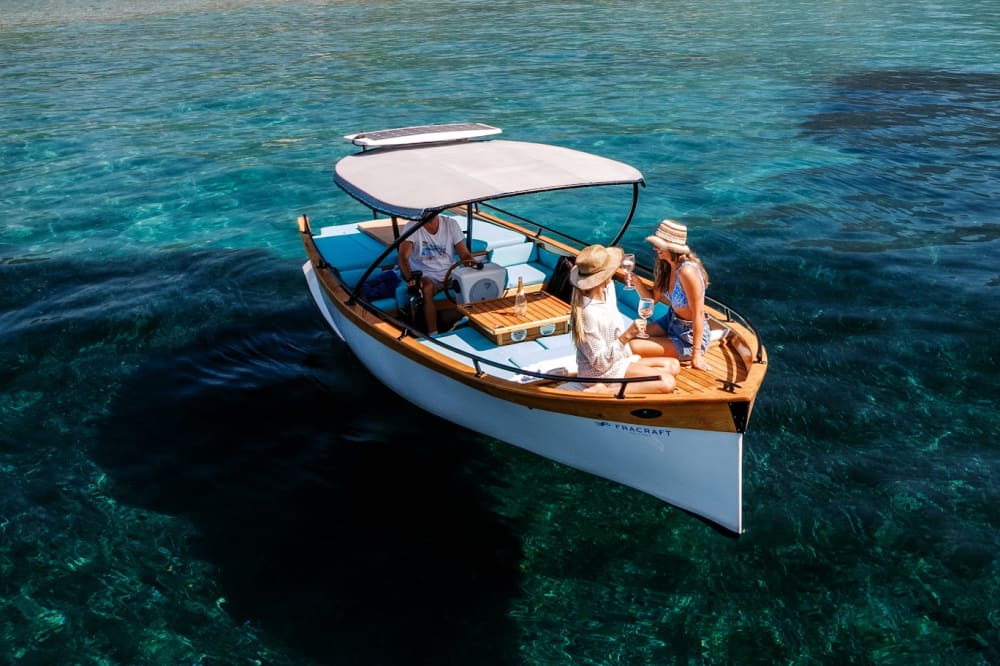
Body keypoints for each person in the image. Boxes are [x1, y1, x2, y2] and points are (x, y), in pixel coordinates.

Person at [569, 244, 679, 395]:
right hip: (600, 373)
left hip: (619, 360)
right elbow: (600, 363)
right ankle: (603, 391)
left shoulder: (608, 289)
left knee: (673, 365)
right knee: (667, 382)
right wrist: (627, 335)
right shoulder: (588, 313)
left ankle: (628, 382)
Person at [628, 220, 712, 371]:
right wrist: (637, 282)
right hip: (670, 320)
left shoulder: (687, 272)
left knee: (633, 346)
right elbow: (652, 300)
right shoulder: (667, 267)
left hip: (688, 336)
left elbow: (698, 314)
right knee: (629, 335)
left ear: (672, 247)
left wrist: (696, 355)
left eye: (659, 245)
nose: (655, 248)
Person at [397, 213, 476, 335]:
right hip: (426, 276)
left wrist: (473, 266)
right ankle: (433, 333)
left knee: (473, 283)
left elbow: (464, 254)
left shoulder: (451, 224)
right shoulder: (412, 227)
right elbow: (403, 258)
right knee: (427, 288)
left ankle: (474, 323)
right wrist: (410, 278)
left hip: (451, 273)